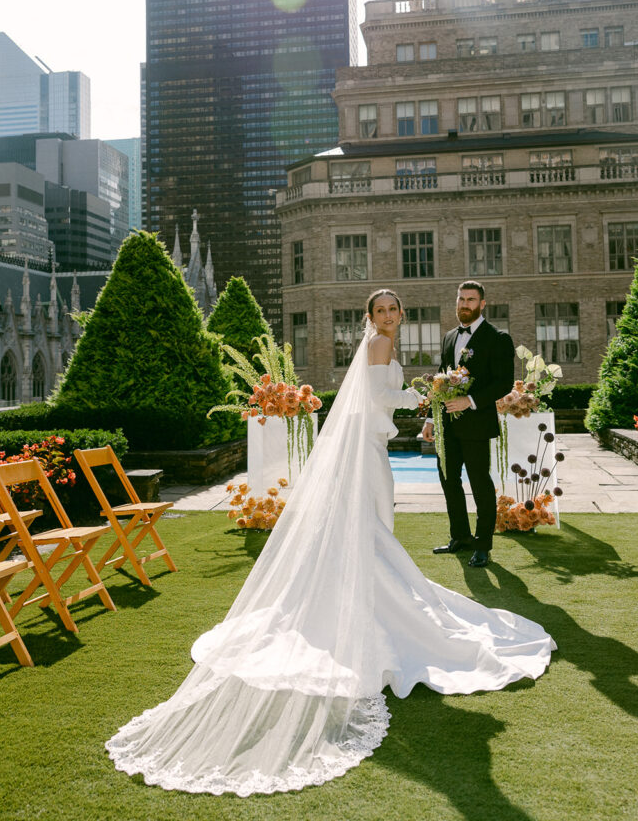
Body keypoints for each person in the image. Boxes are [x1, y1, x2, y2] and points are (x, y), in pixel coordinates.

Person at [106, 288, 554, 797]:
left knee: (371, 530)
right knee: (373, 530)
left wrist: (426, 394)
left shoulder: (379, 345)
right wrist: (424, 396)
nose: (388, 316)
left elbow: (373, 398)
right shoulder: (380, 347)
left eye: (393, 310)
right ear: (371, 318)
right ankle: (372, 612)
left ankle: (361, 604)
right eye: (380, 311)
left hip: (370, 445)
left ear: (401, 314)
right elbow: (381, 398)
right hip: (369, 449)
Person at [422, 281, 514, 568]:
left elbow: (503, 383)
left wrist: (470, 401)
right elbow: (441, 377)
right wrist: (429, 418)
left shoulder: (498, 338)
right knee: (449, 482)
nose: (464, 305)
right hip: (447, 426)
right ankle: (460, 537)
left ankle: (483, 545)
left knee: (480, 485)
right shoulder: (450, 336)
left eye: (471, 300)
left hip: (476, 425)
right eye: (461, 299)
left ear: (482, 304)